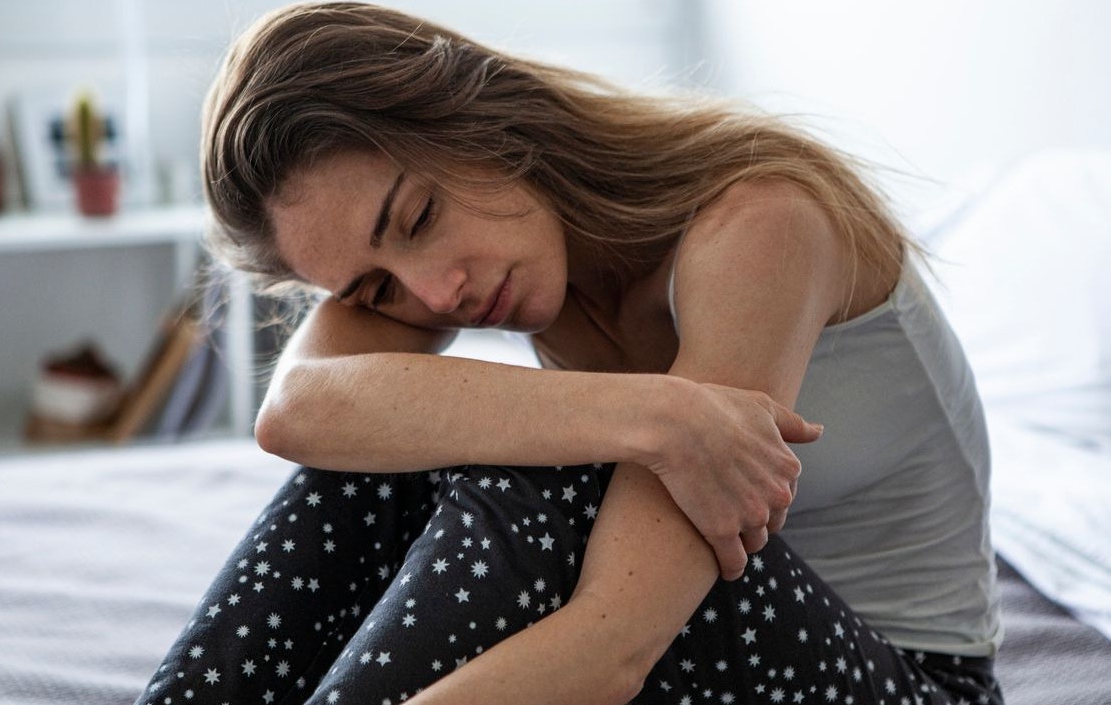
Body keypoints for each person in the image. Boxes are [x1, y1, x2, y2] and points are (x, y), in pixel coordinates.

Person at [137, 3, 1003, 704]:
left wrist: (622, 429)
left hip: (906, 680)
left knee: (548, 468)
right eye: (374, 292)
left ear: (475, 112)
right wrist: (658, 412)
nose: (435, 295)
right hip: (692, 658)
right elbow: (300, 412)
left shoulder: (760, 223)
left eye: (418, 218)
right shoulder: (465, 272)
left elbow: (612, 644)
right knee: (385, 445)